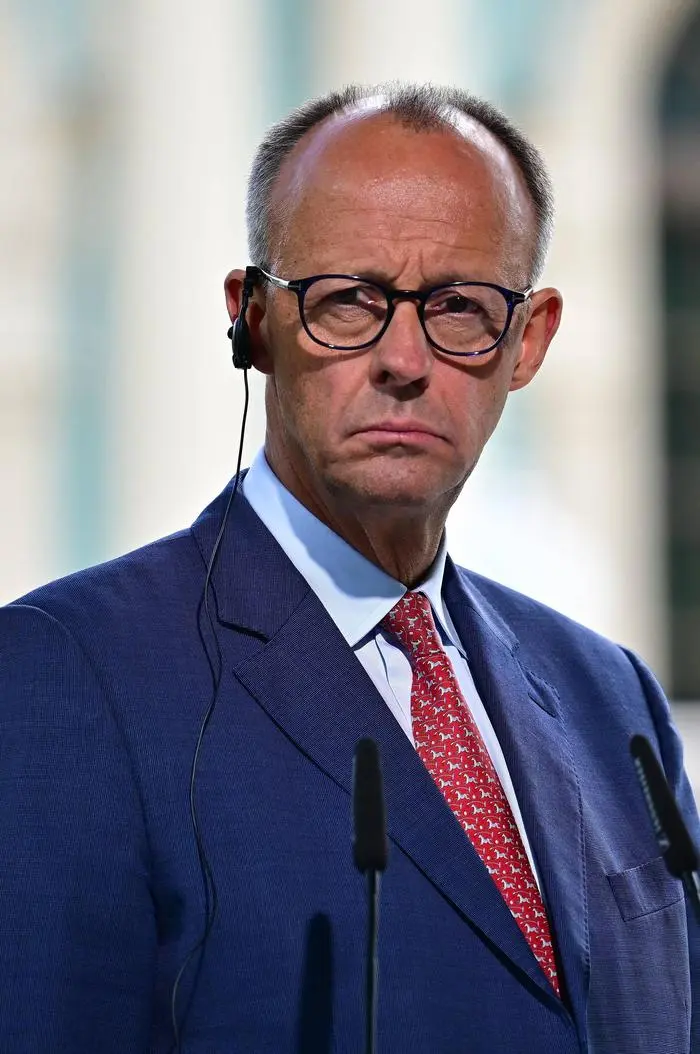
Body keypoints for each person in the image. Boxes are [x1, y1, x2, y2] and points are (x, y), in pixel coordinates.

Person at [1, 82, 698, 1054]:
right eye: (349, 302)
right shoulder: (65, 676)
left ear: (527, 341)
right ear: (252, 321)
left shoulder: (605, 694)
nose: (403, 358)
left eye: (458, 307)